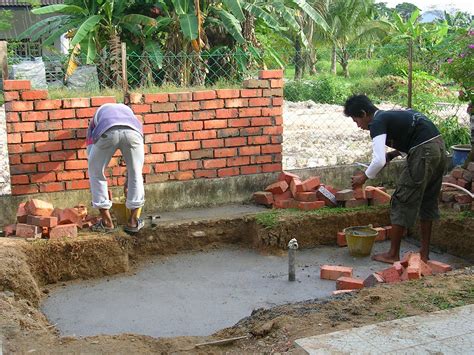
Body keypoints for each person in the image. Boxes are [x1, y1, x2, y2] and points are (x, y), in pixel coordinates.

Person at [343, 94, 446, 263]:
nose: (359, 126)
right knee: (428, 200)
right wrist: (392, 154)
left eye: (356, 121)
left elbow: (378, 160)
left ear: (363, 113)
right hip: (439, 149)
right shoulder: (392, 115)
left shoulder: (377, 122)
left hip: (423, 153)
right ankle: (424, 254)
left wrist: (364, 177)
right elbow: (414, 135)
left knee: (401, 200)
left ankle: (392, 254)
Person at [86, 102, 145, 233]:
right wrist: (128, 181)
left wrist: (95, 166)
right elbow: (136, 161)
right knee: (136, 173)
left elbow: (90, 153)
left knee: (95, 173)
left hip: (107, 132)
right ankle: (133, 221)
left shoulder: (95, 118)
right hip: (133, 133)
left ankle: (107, 222)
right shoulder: (130, 114)